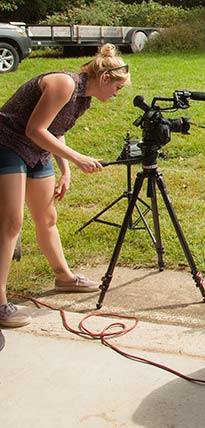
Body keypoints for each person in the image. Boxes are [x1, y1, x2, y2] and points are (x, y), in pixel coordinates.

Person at [0, 44, 131, 328]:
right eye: (117, 88)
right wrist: (79, 158)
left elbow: (56, 131)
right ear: (105, 78)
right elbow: (34, 129)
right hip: (7, 145)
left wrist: (66, 170)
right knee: (11, 223)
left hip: (38, 152)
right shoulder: (64, 83)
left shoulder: (83, 99)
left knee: (47, 218)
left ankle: (64, 277)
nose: (116, 95)